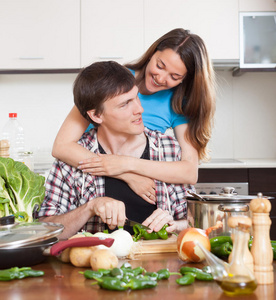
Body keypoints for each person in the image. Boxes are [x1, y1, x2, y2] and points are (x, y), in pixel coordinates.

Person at [51, 28, 216, 203]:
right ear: (153, 53)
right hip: (91, 179)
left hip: (139, 190)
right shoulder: (115, 79)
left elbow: (189, 172)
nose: (161, 78)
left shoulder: (178, 102)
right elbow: (62, 146)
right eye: (160, 66)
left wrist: (126, 164)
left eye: (174, 76)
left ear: (185, 79)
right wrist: (127, 175)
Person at [37, 61, 193, 239]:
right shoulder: (71, 161)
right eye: (125, 104)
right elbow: (45, 231)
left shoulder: (169, 149)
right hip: (94, 265)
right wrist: (90, 207)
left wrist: (176, 224)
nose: (139, 109)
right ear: (96, 115)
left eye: (136, 98)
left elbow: (195, 222)